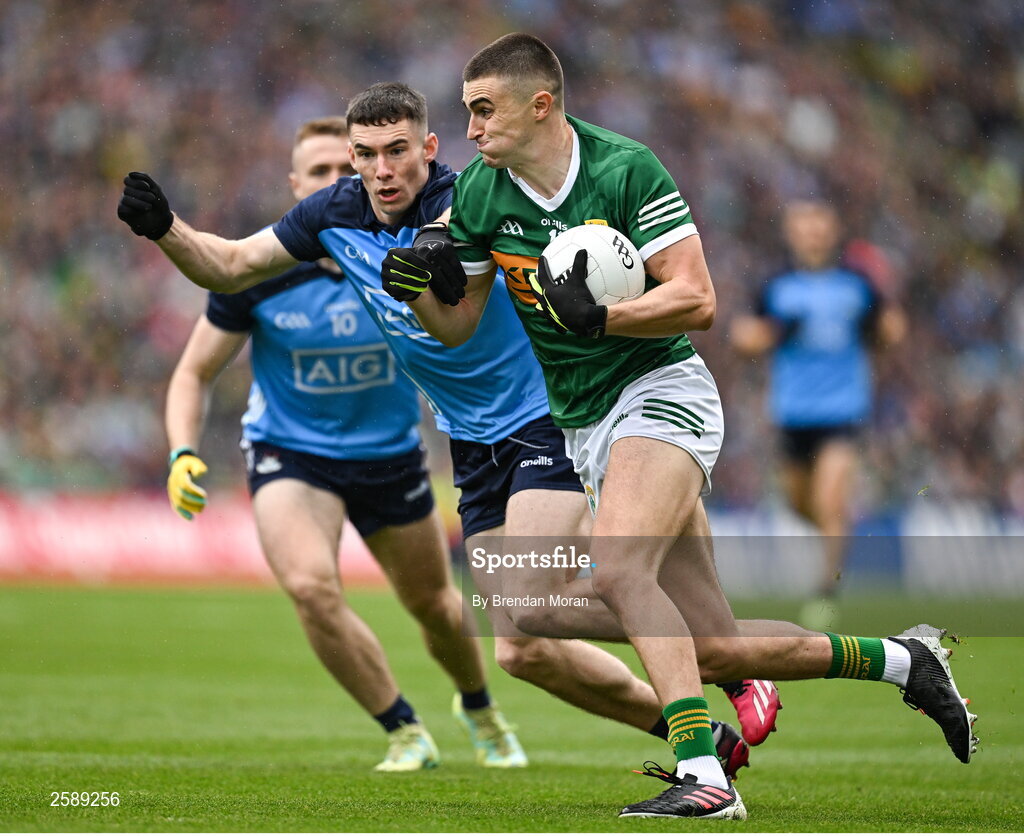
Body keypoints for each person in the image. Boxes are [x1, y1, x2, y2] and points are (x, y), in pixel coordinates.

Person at [382, 34, 977, 819]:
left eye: (483, 110)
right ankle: (903, 659)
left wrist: (606, 317)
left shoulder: (625, 169)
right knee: (694, 641)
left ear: (541, 105)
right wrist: (416, 293)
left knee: (620, 571)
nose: (471, 130)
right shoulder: (488, 194)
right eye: (468, 112)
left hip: (663, 391)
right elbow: (458, 323)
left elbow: (697, 299)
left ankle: (706, 775)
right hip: (586, 427)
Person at [117, 84, 767, 783]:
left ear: (428, 149)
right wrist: (165, 229)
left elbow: (469, 237)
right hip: (468, 441)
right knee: (522, 648)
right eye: (365, 156)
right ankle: (696, 720)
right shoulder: (328, 219)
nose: (380, 169)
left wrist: (435, 254)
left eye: (396, 151)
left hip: (543, 416)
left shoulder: (471, 198)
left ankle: (719, 663)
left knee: (555, 591)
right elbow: (231, 266)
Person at [161, 116, 526, 772]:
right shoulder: (269, 273)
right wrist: (182, 450)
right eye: (324, 173)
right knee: (310, 586)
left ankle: (479, 708)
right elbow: (193, 371)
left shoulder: (409, 245)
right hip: (290, 454)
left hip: (389, 454)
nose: (345, 180)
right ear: (299, 187)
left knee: (436, 606)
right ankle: (402, 728)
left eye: (347, 168)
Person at [731, 199, 907, 630]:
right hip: (792, 414)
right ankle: (839, 529)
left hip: (843, 412)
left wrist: (880, 327)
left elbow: (892, 328)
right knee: (800, 505)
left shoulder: (857, 283)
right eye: (804, 225)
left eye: (819, 224)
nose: (812, 233)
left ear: (834, 230)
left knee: (829, 500)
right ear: (791, 232)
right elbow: (742, 335)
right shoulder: (776, 284)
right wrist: (775, 332)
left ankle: (824, 594)